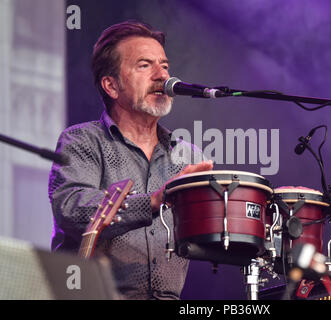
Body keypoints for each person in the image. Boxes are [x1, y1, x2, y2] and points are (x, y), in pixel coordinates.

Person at [48, 20, 213, 300]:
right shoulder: (82, 141)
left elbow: (208, 240)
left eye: (164, 65)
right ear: (111, 85)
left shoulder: (189, 156)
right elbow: (72, 209)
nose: (162, 75)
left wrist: (259, 214)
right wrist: (152, 201)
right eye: (145, 65)